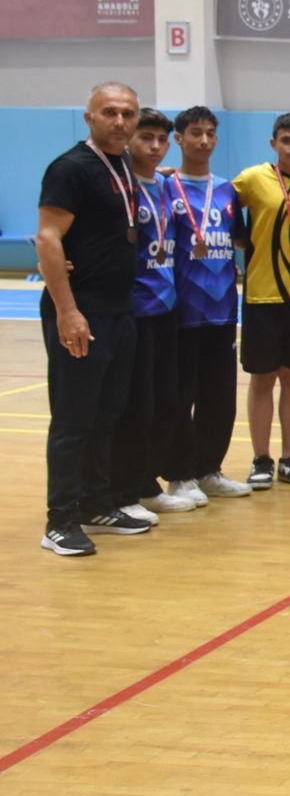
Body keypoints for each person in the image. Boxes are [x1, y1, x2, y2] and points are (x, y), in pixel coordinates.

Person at [35, 83, 144, 554]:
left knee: (106, 414)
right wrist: (68, 311)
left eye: (128, 113)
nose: (119, 121)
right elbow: (48, 238)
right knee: (73, 419)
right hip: (82, 311)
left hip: (119, 310)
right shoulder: (71, 168)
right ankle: (59, 520)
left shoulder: (123, 164)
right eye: (110, 112)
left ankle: (95, 503)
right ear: (89, 118)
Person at [161, 106, 250, 505]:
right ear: (178, 139)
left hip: (222, 311)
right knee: (180, 398)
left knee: (219, 398)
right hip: (181, 312)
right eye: (195, 133)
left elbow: (239, 240)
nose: (203, 140)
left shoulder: (228, 190)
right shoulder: (165, 187)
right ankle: (179, 475)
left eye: (210, 133)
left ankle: (208, 469)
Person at [234, 111, 290, 490]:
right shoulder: (253, 178)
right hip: (262, 295)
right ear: (273, 143)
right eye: (286, 140)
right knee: (262, 378)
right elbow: (217, 202)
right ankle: (261, 459)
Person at [110, 110, 184, 517]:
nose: (155, 146)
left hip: (167, 308)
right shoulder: (122, 187)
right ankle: (124, 491)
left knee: (165, 404)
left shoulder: (167, 185)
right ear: (130, 140)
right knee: (136, 406)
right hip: (134, 309)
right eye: (146, 138)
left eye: (161, 139)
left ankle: (146, 482)